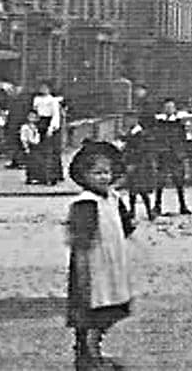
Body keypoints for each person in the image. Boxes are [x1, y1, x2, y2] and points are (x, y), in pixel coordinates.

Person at [65, 141, 135, 370]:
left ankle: (95, 349)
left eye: (107, 172)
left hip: (112, 265)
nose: (104, 178)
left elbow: (125, 226)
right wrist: (84, 271)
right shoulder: (85, 203)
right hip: (92, 266)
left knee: (110, 309)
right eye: (97, 173)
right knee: (90, 313)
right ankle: (87, 356)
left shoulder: (113, 198)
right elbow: (81, 240)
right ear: (84, 176)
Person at [148, 99, 191, 216]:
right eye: (166, 107)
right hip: (163, 156)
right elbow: (155, 140)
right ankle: (157, 206)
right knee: (160, 182)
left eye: (171, 107)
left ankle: (183, 206)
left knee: (179, 182)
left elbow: (183, 140)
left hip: (176, 156)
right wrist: (156, 154)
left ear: (174, 109)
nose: (169, 109)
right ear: (163, 109)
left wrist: (182, 154)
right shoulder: (159, 124)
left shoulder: (179, 124)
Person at [32, 82, 65, 185]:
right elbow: (35, 112)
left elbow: (56, 115)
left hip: (49, 123)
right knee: (39, 151)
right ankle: (39, 176)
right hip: (39, 123)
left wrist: (51, 128)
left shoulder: (53, 101)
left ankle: (51, 177)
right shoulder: (37, 99)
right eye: (41, 87)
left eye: (45, 87)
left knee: (49, 152)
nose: (43, 89)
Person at [19, 111, 44, 185]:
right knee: (30, 163)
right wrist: (25, 147)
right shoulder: (25, 127)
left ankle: (36, 177)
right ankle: (30, 177)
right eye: (30, 117)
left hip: (36, 146)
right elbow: (23, 138)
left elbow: (37, 136)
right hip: (29, 145)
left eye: (34, 117)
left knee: (37, 162)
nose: (32, 118)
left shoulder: (36, 127)